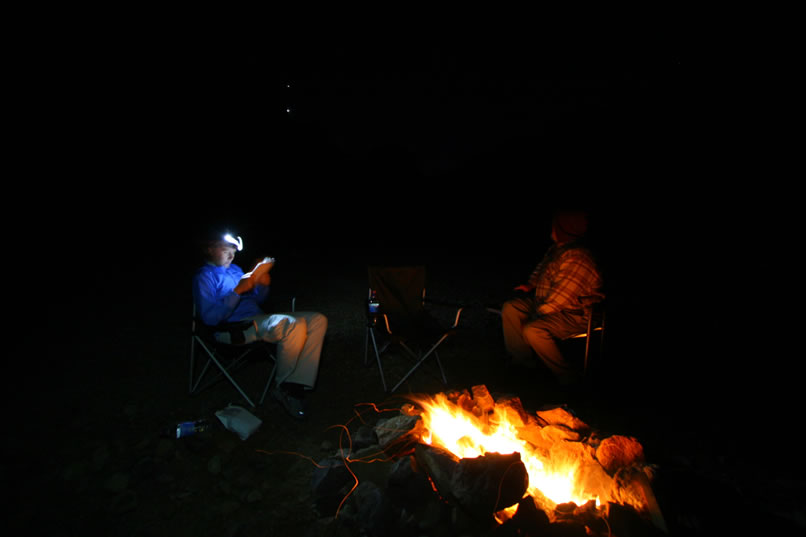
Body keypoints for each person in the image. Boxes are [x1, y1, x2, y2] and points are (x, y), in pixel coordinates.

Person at [193, 231, 328, 419]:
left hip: (258, 320)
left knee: (317, 320)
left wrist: (262, 283)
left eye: (233, 249)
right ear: (210, 249)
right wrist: (238, 290)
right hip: (233, 328)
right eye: (225, 249)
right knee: (292, 325)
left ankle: (296, 383)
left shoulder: (236, 270)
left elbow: (258, 299)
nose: (231, 254)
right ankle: (286, 389)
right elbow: (210, 318)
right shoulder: (204, 277)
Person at [501, 210, 604, 387]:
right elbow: (542, 269)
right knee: (512, 308)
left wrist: (537, 314)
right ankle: (523, 364)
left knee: (534, 329)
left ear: (564, 229)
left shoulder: (578, 257)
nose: (551, 230)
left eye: (554, 227)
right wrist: (531, 284)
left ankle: (568, 378)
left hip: (577, 312)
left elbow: (562, 297)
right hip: (549, 301)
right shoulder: (558, 249)